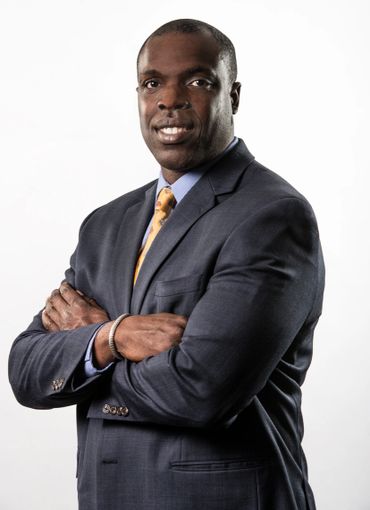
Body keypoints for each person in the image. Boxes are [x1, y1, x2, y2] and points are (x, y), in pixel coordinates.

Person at [8, 18, 324, 510]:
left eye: (198, 81)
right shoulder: (105, 225)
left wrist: (92, 345)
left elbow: (201, 392)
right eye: (153, 82)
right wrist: (112, 337)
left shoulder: (271, 216)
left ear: (232, 96)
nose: (169, 99)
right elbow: (26, 370)